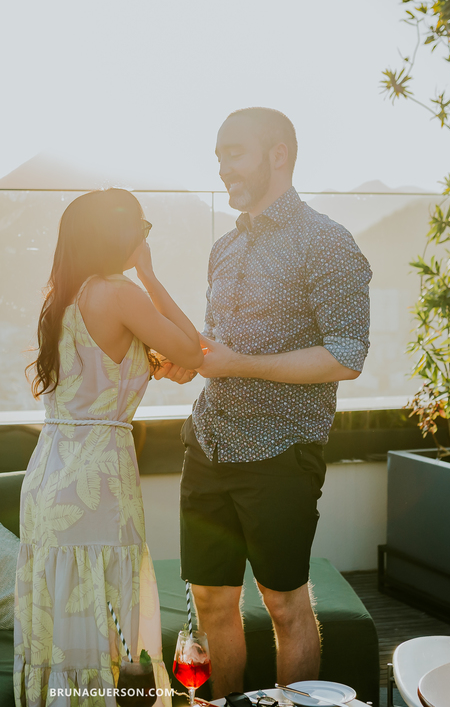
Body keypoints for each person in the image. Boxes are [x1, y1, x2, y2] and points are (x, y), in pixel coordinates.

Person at [156, 107, 371, 698]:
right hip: (208, 444)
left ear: (279, 154)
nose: (223, 167)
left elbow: (346, 355)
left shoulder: (327, 243)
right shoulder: (223, 249)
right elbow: (218, 345)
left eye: (235, 153)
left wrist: (236, 364)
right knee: (211, 603)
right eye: (219, 155)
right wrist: (188, 362)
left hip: (280, 453)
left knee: (283, 605)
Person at [15, 188, 203, 707]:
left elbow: (118, 371)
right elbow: (193, 348)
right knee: (110, 627)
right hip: (100, 485)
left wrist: (153, 360)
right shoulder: (119, 294)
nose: (144, 236)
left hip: (49, 478)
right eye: (140, 227)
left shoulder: (63, 300)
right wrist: (149, 273)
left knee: (63, 629)